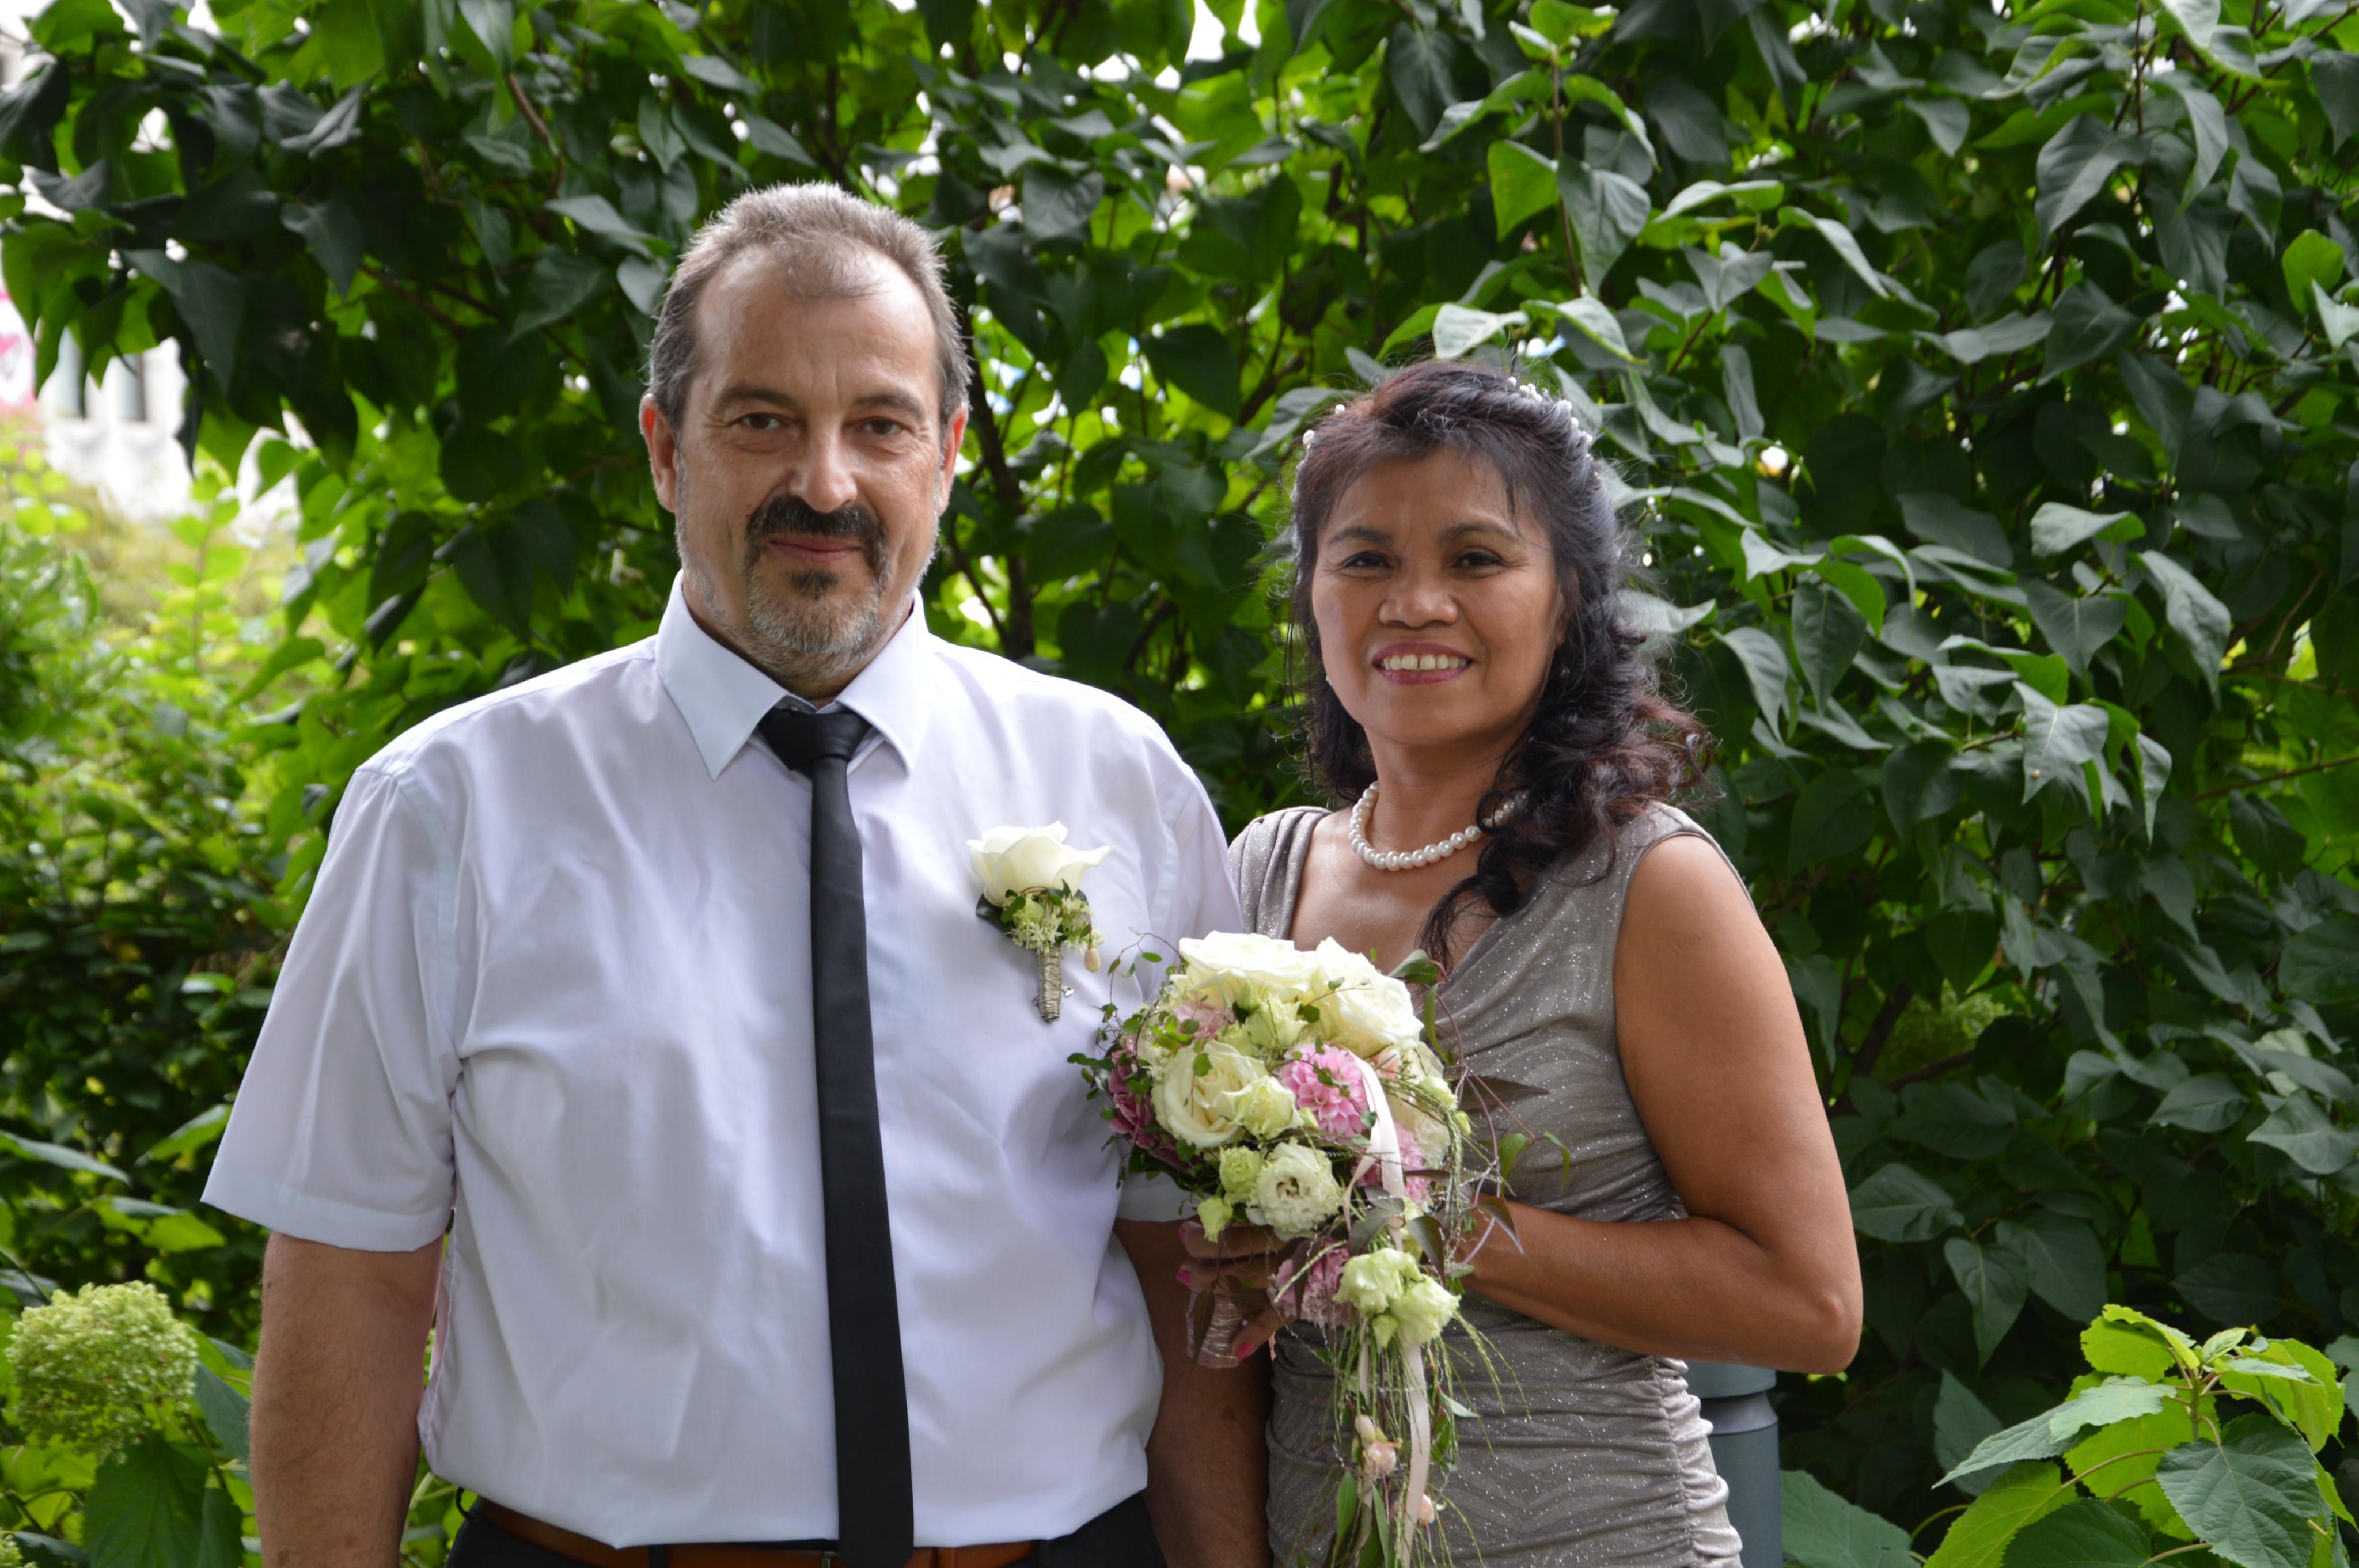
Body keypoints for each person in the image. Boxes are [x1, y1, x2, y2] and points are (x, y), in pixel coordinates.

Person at [200, 184, 1265, 1568]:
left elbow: (1181, 1265)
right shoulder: (449, 809)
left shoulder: (1120, 786)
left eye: (878, 425)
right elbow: (351, 1272)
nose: (823, 484)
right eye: (761, 420)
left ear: (947, 454)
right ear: (664, 448)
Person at [1216, 359, 1863, 1567]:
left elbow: (1810, 1306)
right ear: (1310, 596)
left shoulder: (1648, 885)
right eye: (1365, 560)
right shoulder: (1259, 874)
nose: (1414, 602)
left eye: (1474, 559)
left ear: (1567, 602)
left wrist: (1418, 1221)